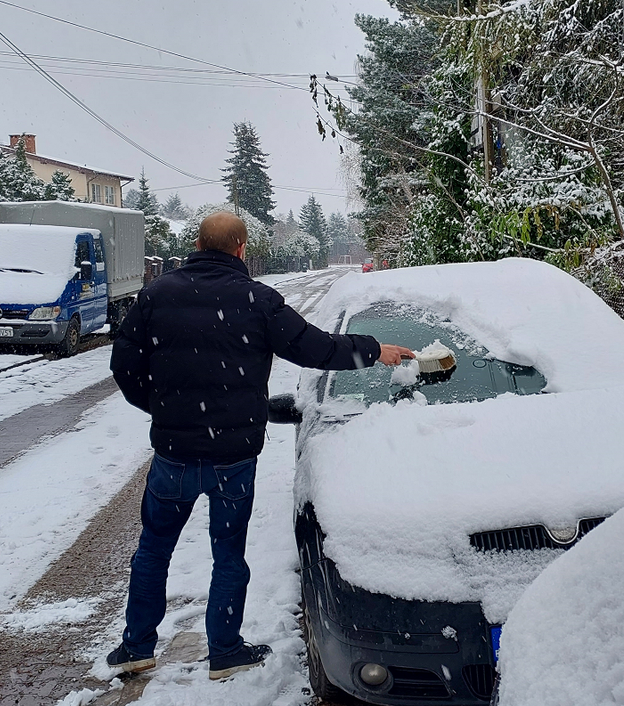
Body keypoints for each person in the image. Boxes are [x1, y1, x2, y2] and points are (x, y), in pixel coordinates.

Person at [107, 211, 414, 680]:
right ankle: (225, 651)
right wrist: (374, 351)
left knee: (153, 550)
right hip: (233, 457)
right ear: (241, 248)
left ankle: (136, 647)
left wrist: (162, 408)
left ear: (197, 243)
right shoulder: (256, 300)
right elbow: (315, 347)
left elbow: (125, 366)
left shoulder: (155, 295)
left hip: (173, 455)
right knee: (228, 553)